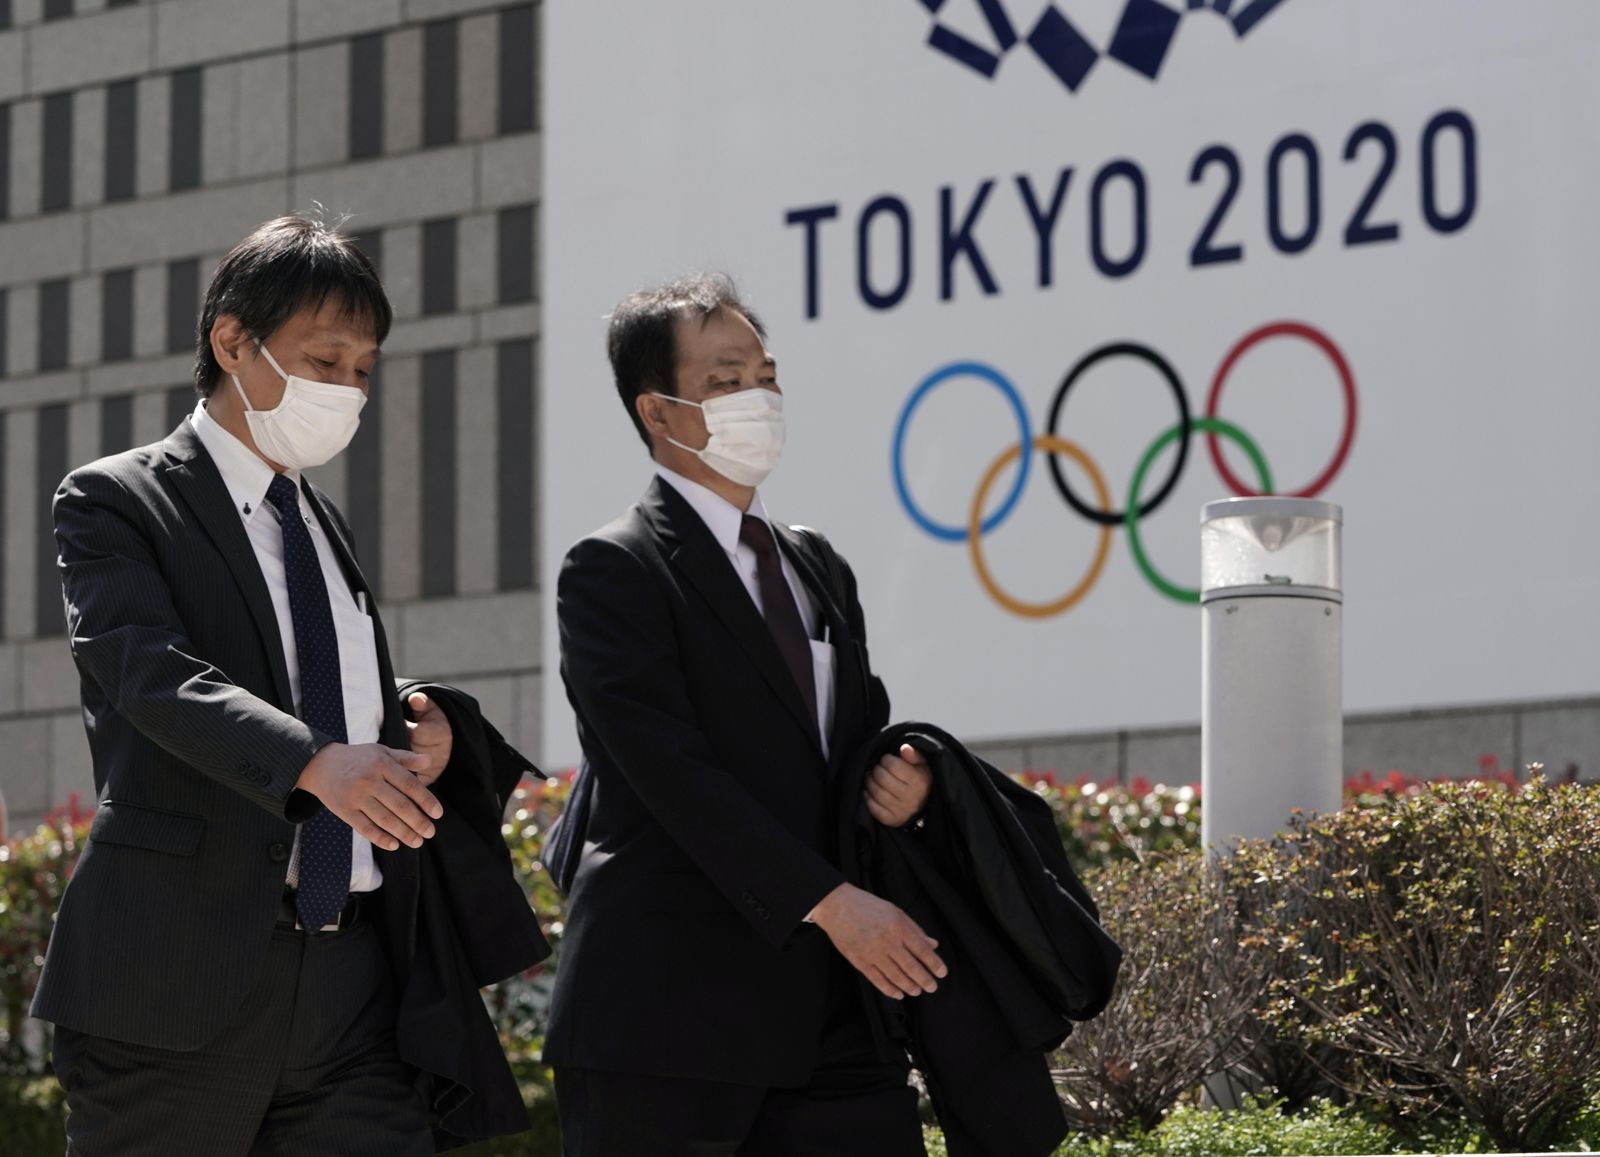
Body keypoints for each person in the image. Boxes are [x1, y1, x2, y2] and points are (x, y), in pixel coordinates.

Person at [33, 214, 543, 1156]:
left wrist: (415, 721)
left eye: (363, 369)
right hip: (175, 983)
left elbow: (309, 675)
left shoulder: (322, 522)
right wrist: (314, 762)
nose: (348, 388)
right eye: (326, 357)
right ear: (234, 340)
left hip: (354, 984)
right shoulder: (114, 498)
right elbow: (149, 669)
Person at [546, 274, 947, 1156]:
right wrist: (834, 903)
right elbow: (673, 776)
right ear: (659, 410)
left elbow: (853, 741)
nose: (758, 399)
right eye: (727, 381)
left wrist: (905, 777)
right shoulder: (614, 569)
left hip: (836, 1016)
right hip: (668, 1028)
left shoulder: (816, 565)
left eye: (766, 376)